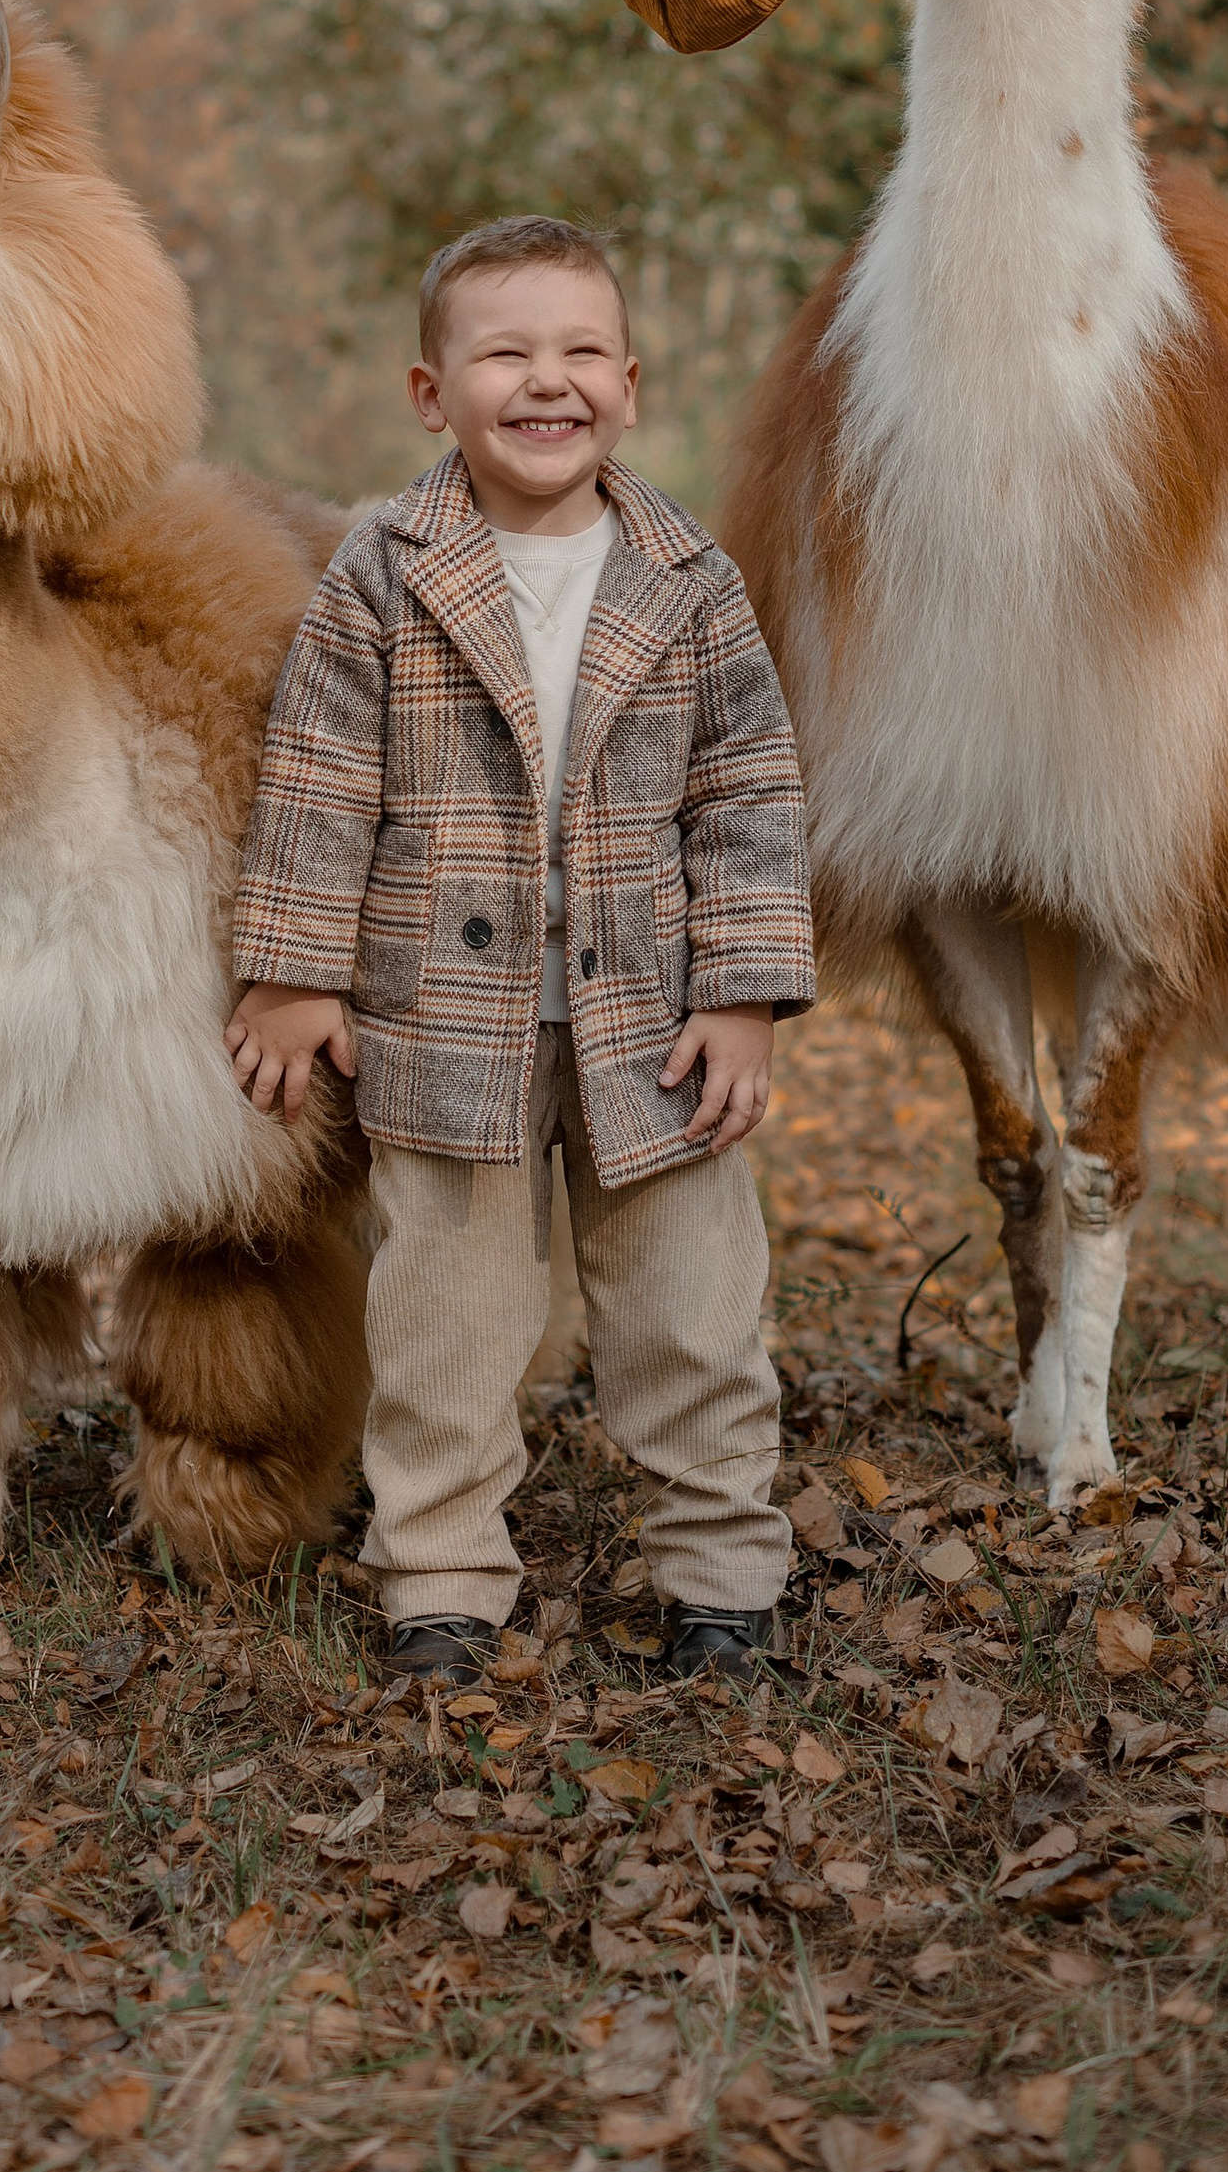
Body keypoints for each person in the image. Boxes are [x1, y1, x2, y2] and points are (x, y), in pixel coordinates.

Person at [226, 214, 816, 1682]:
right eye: (504, 354)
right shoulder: (385, 568)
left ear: (627, 381)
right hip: (444, 1020)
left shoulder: (690, 577)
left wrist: (742, 995)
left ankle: (722, 1571)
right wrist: (295, 971)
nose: (543, 384)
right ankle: (440, 1573)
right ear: (434, 393)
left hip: (657, 1026)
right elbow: (317, 771)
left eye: (575, 354)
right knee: (444, 1322)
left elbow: (748, 789)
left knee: (693, 1312)